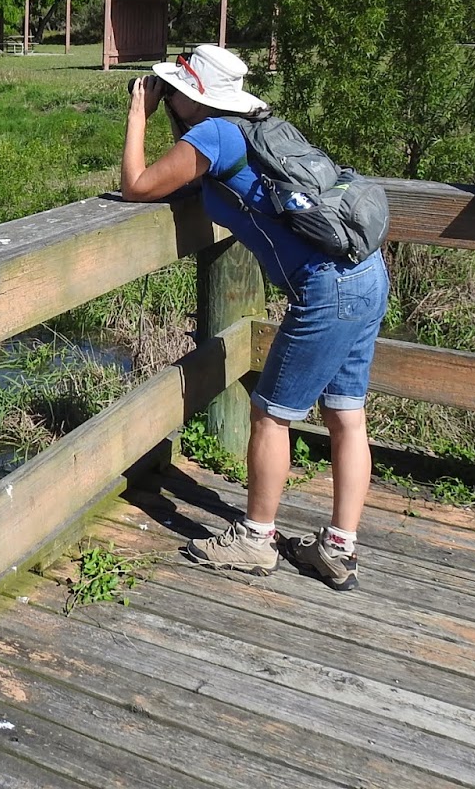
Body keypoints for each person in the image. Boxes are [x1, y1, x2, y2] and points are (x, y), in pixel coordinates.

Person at [120, 44, 388, 591]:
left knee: (270, 413)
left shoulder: (212, 137)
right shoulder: (256, 125)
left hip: (327, 289)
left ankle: (256, 539)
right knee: (346, 414)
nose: (162, 94)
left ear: (191, 96)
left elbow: (136, 187)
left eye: (169, 88)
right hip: (366, 273)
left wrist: (136, 116)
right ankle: (339, 550)